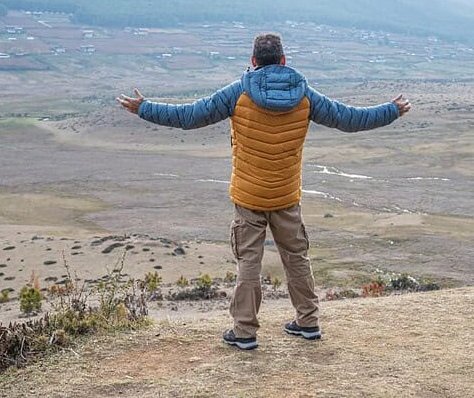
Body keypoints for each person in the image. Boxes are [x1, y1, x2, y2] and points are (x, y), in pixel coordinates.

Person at [117, 32, 410, 350]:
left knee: (249, 263)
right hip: (286, 196)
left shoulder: (238, 92)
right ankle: (308, 322)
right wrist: (391, 110)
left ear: (253, 61)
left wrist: (144, 108)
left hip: (248, 197)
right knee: (297, 257)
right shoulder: (305, 95)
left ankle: (244, 331)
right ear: (283, 61)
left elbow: (189, 116)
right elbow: (352, 119)